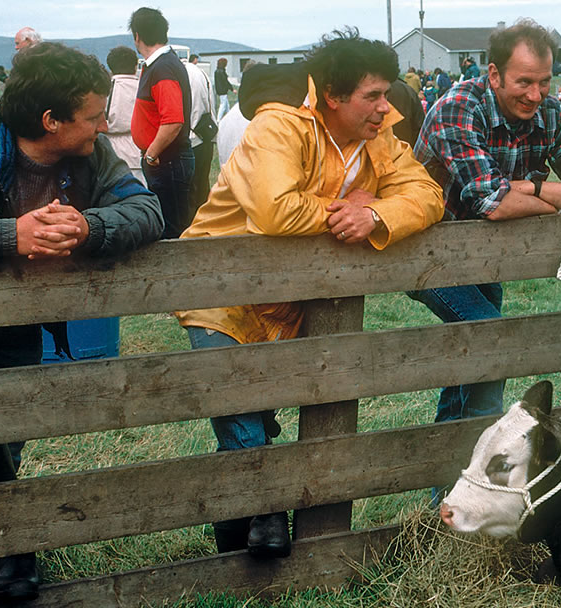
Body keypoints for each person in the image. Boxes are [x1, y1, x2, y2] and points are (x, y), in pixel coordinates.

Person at [0, 41, 162, 602]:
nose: (104, 124)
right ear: (52, 120)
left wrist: (88, 228)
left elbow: (146, 208)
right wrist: (8, 235)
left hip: (19, 320)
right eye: (94, 115)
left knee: (5, 434)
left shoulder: (90, 155)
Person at [174, 28, 443, 559]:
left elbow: (426, 192)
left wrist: (376, 212)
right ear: (333, 97)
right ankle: (267, 514)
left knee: (255, 412)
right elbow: (275, 210)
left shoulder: (379, 137)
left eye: (386, 93)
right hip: (220, 289)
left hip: (291, 299)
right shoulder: (279, 126)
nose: (386, 107)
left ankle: (240, 547)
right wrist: (343, 209)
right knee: (238, 404)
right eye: (374, 95)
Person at [409, 19, 561, 439]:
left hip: (488, 260)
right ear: (495, 74)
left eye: (544, 82)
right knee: (492, 341)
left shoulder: (550, 112)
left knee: (473, 356)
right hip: (429, 256)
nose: (535, 95)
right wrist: (554, 197)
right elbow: (496, 204)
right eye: (524, 82)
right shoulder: (458, 108)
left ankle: (445, 484)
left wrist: (535, 186)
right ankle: (479, 475)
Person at [129, 6, 194, 239]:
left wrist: (151, 154)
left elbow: (173, 120)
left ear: (137, 36)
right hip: (166, 160)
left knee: (173, 231)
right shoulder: (161, 65)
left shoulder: (162, 67)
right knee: (171, 223)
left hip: (167, 160)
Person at [106, 46, 146, 184]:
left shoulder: (106, 88)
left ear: (111, 67)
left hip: (111, 151)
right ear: (135, 66)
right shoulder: (144, 86)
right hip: (141, 149)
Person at [185, 53, 215, 210]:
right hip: (206, 134)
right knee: (202, 183)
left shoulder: (182, 74)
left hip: (190, 137)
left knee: (191, 189)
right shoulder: (202, 74)